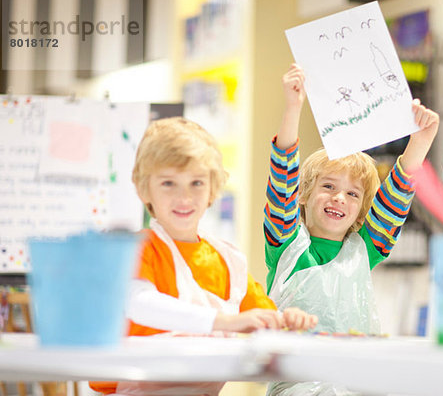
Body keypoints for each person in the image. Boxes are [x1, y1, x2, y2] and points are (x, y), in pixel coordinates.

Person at [90, 117, 317, 396]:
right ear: (143, 189)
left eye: (196, 182)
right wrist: (222, 322)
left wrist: (285, 322)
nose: (184, 197)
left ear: (213, 189)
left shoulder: (229, 261)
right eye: (169, 183)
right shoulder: (138, 249)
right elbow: (139, 303)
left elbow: (262, 320)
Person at [263, 64, 439, 395]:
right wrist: (293, 107)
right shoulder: (286, 244)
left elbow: (394, 198)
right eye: (328, 186)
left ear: (360, 208)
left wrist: (421, 140)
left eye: (353, 193)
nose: (339, 198)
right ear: (303, 194)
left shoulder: (363, 249)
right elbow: (282, 181)